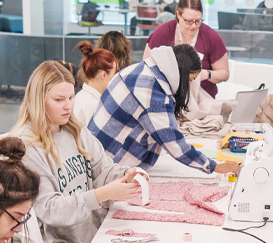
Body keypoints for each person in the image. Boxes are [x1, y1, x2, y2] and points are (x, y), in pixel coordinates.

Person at [12, 59, 139, 243]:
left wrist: (125, 175)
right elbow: (49, 209)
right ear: (38, 100)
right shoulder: (27, 147)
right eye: (59, 100)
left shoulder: (76, 130)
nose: (68, 106)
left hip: (85, 234)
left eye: (71, 97)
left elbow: (103, 169)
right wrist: (101, 195)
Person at [88, 44, 238, 176]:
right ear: (181, 73)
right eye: (191, 79)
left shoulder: (142, 69)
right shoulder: (153, 93)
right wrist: (214, 166)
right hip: (107, 167)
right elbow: (173, 143)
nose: (191, 85)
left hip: (96, 155)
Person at [146, 0, 228, 99]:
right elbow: (146, 67)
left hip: (202, 99)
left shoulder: (211, 37)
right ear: (178, 14)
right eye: (188, 21)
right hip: (167, 97)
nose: (194, 26)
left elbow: (224, 73)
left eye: (198, 21)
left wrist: (206, 75)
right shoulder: (162, 33)